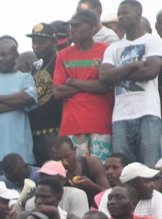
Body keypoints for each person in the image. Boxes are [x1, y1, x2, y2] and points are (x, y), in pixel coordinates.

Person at [99, 0, 162, 167]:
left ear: (139, 15)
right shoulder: (113, 48)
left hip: (148, 113)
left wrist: (117, 73)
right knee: (124, 171)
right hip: (120, 116)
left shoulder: (153, 41)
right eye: (119, 14)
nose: (121, 17)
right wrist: (133, 65)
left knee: (151, 168)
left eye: (125, 13)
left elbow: (150, 72)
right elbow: (104, 76)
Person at [53, 10, 114, 163]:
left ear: (92, 27)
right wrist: (91, 85)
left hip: (101, 123)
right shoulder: (63, 55)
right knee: (76, 170)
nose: (72, 30)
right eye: (71, 26)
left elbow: (104, 86)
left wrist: (73, 81)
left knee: (101, 169)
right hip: (72, 125)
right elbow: (58, 91)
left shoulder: (106, 50)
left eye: (77, 26)